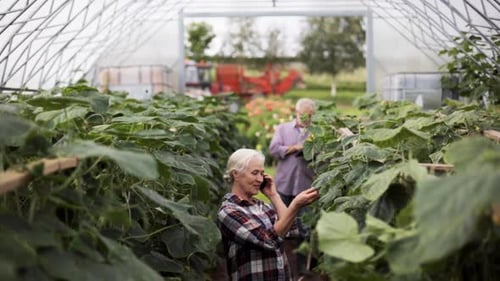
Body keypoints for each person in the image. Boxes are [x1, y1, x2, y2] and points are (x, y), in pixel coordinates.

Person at [217, 148, 319, 281]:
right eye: (254, 173)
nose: (260, 179)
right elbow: (268, 241)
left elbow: (290, 229)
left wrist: (274, 195)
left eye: (262, 173)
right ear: (236, 174)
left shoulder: (262, 206)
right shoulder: (228, 211)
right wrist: (295, 205)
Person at [268, 98, 316, 277]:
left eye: (309, 115)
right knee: (279, 225)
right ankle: (276, 262)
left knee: (305, 229)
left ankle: (302, 269)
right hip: (284, 184)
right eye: (302, 114)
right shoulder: (283, 129)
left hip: (305, 185)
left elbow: (323, 155)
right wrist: (295, 147)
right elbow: (273, 149)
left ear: (313, 115)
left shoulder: (317, 132)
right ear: (296, 113)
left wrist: (311, 150)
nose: (305, 118)